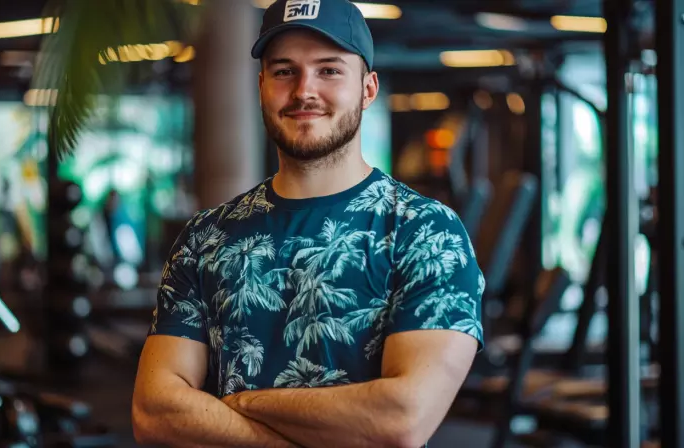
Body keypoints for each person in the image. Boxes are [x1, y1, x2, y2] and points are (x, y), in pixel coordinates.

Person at [132, 0, 484, 447]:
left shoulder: (428, 233)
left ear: (368, 88)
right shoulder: (206, 237)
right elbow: (154, 412)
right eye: (284, 71)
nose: (304, 90)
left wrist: (239, 404)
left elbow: (400, 419)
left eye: (329, 70)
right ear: (261, 85)